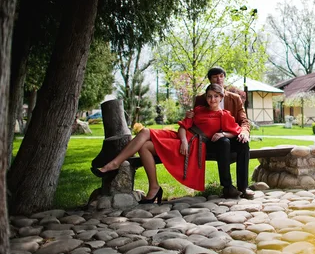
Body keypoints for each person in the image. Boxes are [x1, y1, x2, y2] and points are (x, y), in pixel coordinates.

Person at [91, 84, 242, 204]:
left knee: (144, 147)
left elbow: (235, 131)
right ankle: (115, 163)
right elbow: (183, 126)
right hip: (181, 138)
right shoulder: (198, 110)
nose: (212, 100)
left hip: (194, 145)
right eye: (209, 96)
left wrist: (222, 134)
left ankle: (154, 187)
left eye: (216, 96)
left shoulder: (224, 115)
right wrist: (182, 140)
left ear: (221, 97)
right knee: (144, 132)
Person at [190, 66, 254, 199]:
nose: (219, 79)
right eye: (215, 77)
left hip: (231, 134)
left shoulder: (235, 98)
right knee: (223, 142)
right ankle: (228, 187)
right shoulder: (201, 99)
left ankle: (243, 187)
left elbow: (244, 120)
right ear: (210, 80)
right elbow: (195, 121)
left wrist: (244, 132)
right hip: (210, 140)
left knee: (243, 143)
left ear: (224, 78)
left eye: (221, 76)